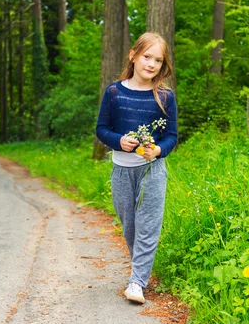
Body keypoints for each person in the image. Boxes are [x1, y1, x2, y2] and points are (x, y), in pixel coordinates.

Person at [95, 32, 178, 304]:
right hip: (122, 171)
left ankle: (137, 282)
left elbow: (172, 137)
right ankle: (140, 271)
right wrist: (119, 141)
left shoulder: (165, 97)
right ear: (133, 55)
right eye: (146, 56)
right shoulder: (114, 92)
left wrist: (158, 150)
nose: (151, 64)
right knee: (130, 226)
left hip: (153, 171)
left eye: (158, 60)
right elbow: (101, 130)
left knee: (148, 225)